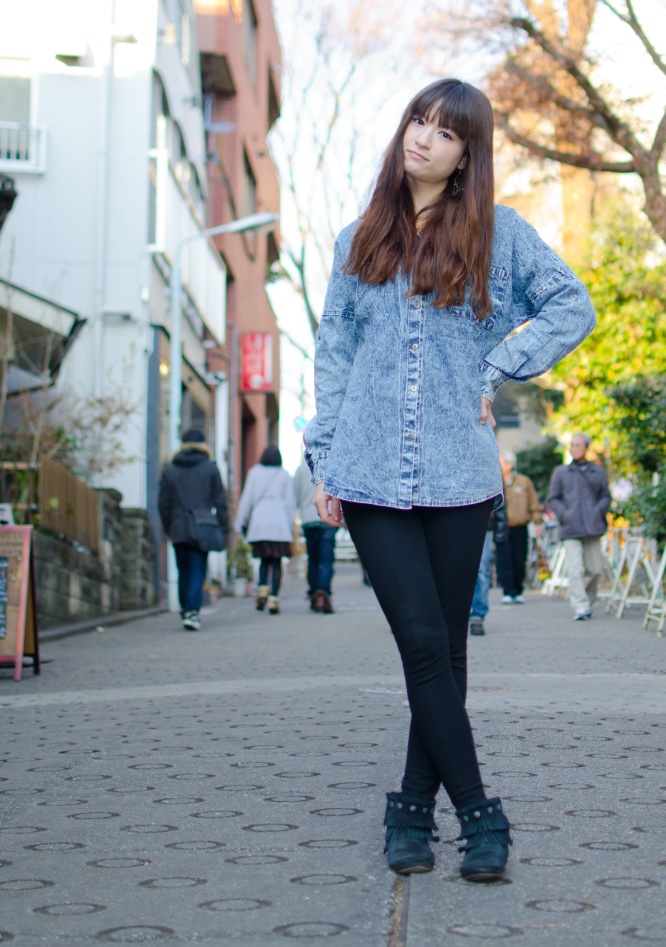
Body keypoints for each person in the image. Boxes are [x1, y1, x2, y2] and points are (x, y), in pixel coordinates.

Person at [303, 78, 595, 882]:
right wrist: (323, 456)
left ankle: (408, 809)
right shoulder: (359, 240)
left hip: (460, 473)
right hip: (366, 469)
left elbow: (573, 305)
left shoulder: (500, 236)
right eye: (417, 122)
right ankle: (479, 812)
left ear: (469, 153)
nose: (423, 138)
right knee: (425, 641)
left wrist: (499, 367)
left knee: (447, 653)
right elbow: (333, 356)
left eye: (444, 130)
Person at [158, 428, 229, 631]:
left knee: (184, 571)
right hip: (203, 526)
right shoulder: (210, 468)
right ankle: (192, 612)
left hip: (178, 527)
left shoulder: (170, 469)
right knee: (198, 569)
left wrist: (168, 526)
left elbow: (163, 503)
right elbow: (221, 502)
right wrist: (223, 529)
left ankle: (186, 610)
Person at [546, 433, 611, 620]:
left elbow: (605, 496)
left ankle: (588, 602)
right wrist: (565, 514)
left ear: (586, 448)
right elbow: (553, 498)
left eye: (577, 445)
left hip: (593, 527)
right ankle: (580, 606)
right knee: (574, 570)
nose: (573, 448)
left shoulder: (597, 471)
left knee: (595, 570)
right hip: (571, 527)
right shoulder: (561, 472)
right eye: (571, 445)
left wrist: (598, 511)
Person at [234, 445, 294, 615]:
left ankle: (261, 592)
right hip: (279, 525)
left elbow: (247, 498)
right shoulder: (284, 475)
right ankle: (274, 599)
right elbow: (290, 503)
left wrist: (239, 522)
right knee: (276, 562)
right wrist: (290, 526)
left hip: (259, 524)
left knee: (263, 560)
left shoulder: (254, 472)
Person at [496, 450, 542, 603]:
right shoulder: (496, 482)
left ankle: (518, 590)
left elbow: (534, 503)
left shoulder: (524, 482)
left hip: (521, 527)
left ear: (509, 465)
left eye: (501, 462)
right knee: (504, 560)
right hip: (502, 528)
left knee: (519, 559)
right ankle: (508, 592)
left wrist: (537, 522)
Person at [294, 461, 338, 613]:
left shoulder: (300, 469)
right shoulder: (332, 464)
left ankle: (314, 593)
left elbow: (296, 496)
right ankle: (324, 592)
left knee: (313, 560)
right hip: (329, 518)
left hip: (309, 520)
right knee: (326, 559)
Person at [468, 500, 507, 637]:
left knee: (481, 568)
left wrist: (501, 529)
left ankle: (477, 616)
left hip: (480, 520)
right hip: (448, 517)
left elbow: (500, 501)